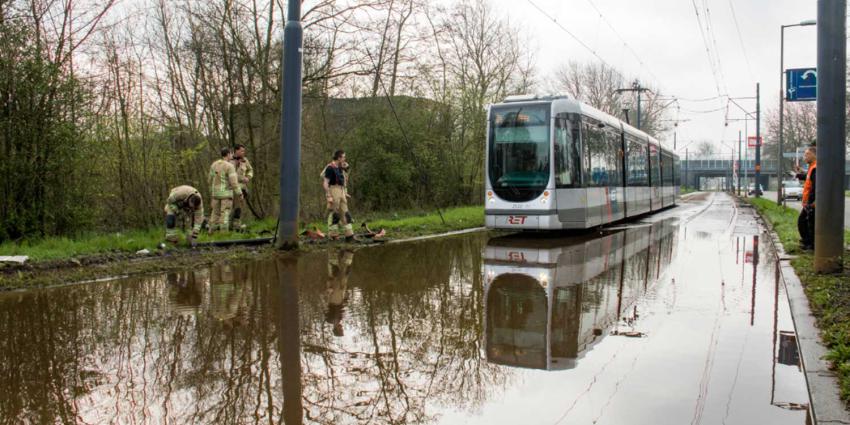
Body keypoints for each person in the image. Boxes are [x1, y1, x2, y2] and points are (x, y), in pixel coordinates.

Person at [208, 147, 242, 233]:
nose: (231, 155)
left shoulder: (214, 165)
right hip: (226, 194)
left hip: (215, 194)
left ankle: (212, 232)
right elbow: (234, 182)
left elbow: (209, 180)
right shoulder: (229, 166)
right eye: (231, 153)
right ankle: (223, 234)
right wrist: (240, 193)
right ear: (228, 154)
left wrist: (212, 194)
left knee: (215, 213)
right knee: (225, 213)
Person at [323, 150, 355, 241]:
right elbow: (325, 183)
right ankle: (333, 235)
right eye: (343, 157)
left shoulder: (340, 167)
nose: (345, 159)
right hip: (333, 190)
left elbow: (344, 179)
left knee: (345, 212)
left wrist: (345, 192)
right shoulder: (330, 168)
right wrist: (328, 196)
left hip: (341, 190)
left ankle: (349, 235)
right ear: (339, 158)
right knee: (334, 213)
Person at [794, 145, 817, 250]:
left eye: (807, 154)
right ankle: (808, 243)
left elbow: (815, 186)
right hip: (810, 202)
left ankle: (809, 244)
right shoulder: (812, 167)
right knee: (807, 223)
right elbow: (808, 178)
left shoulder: (815, 168)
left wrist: (811, 201)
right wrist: (799, 174)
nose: (805, 157)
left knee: (804, 223)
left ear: (814, 155)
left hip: (812, 203)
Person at [230, 144, 254, 231]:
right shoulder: (229, 159)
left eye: (244, 151)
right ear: (236, 151)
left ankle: (237, 225)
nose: (243, 152)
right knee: (228, 207)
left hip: (242, 187)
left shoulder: (245, 160)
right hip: (230, 187)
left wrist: (248, 177)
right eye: (241, 151)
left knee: (239, 206)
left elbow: (251, 170)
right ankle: (228, 225)